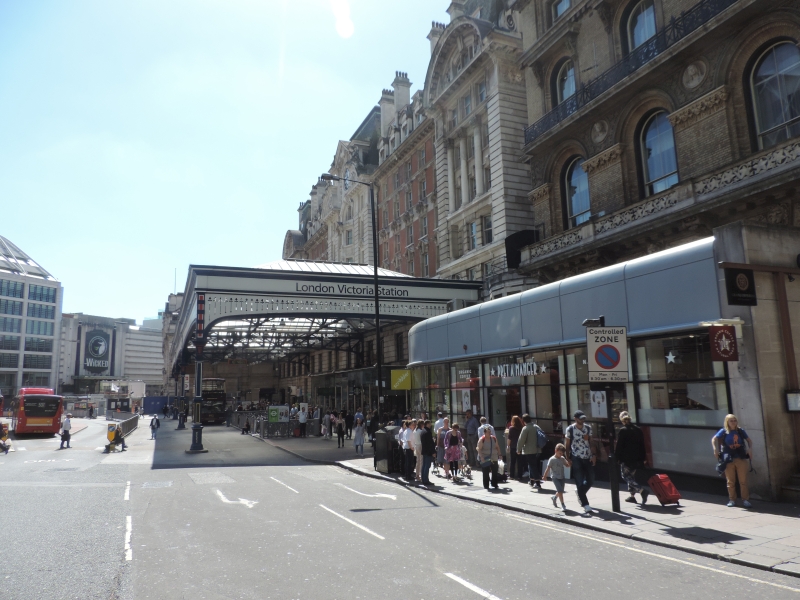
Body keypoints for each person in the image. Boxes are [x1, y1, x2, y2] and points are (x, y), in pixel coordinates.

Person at [713, 414, 754, 508]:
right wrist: (715, 449)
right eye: (731, 421)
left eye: (734, 420)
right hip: (728, 458)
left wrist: (750, 449)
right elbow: (714, 439)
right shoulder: (724, 431)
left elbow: (749, 441)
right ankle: (732, 499)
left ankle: (745, 499)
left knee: (743, 480)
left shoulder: (740, 431)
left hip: (740, 457)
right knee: (730, 481)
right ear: (727, 422)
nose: (733, 422)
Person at [565, 410, 597, 514]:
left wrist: (594, 455)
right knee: (579, 481)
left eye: (583, 418)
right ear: (575, 418)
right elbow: (567, 444)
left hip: (587, 457)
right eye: (580, 418)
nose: (582, 420)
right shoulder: (570, 429)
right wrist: (568, 458)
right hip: (576, 457)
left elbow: (592, 442)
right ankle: (585, 504)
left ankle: (580, 492)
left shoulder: (588, 428)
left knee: (591, 479)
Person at [615, 411, 649, 505]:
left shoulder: (623, 430)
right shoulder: (638, 430)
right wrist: (643, 457)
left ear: (622, 420)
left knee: (625, 476)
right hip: (636, 458)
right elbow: (642, 445)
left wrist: (616, 457)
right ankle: (632, 496)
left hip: (626, 459)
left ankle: (641, 490)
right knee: (632, 477)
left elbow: (619, 446)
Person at [517, 414, 544, 488]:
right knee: (533, 465)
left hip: (529, 450)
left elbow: (521, 440)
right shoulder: (536, 426)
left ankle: (537, 482)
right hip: (538, 450)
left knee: (532, 466)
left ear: (523, 420)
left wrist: (518, 449)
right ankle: (532, 481)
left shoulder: (525, 428)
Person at [542, 443, 571, 511]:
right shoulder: (552, 459)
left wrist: (569, 463)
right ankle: (563, 505)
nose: (561, 455)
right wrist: (544, 476)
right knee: (560, 491)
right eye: (559, 453)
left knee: (560, 491)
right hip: (555, 477)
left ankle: (554, 497)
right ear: (556, 451)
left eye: (562, 454)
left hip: (562, 477)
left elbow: (566, 465)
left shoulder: (562, 458)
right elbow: (548, 468)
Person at [506, 415, 523, 480]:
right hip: (520, 446)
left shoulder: (511, 428)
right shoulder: (522, 428)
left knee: (512, 461)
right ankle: (519, 476)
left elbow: (509, 438)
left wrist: (508, 446)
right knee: (520, 462)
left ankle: (512, 476)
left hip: (513, 446)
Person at [419, 420, 435, 485]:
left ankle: (423, 479)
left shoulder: (422, 431)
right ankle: (426, 480)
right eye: (430, 423)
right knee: (427, 466)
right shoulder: (428, 432)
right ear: (427, 424)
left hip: (424, 450)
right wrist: (433, 452)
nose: (430, 424)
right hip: (428, 451)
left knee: (424, 465)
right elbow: (430, 443)